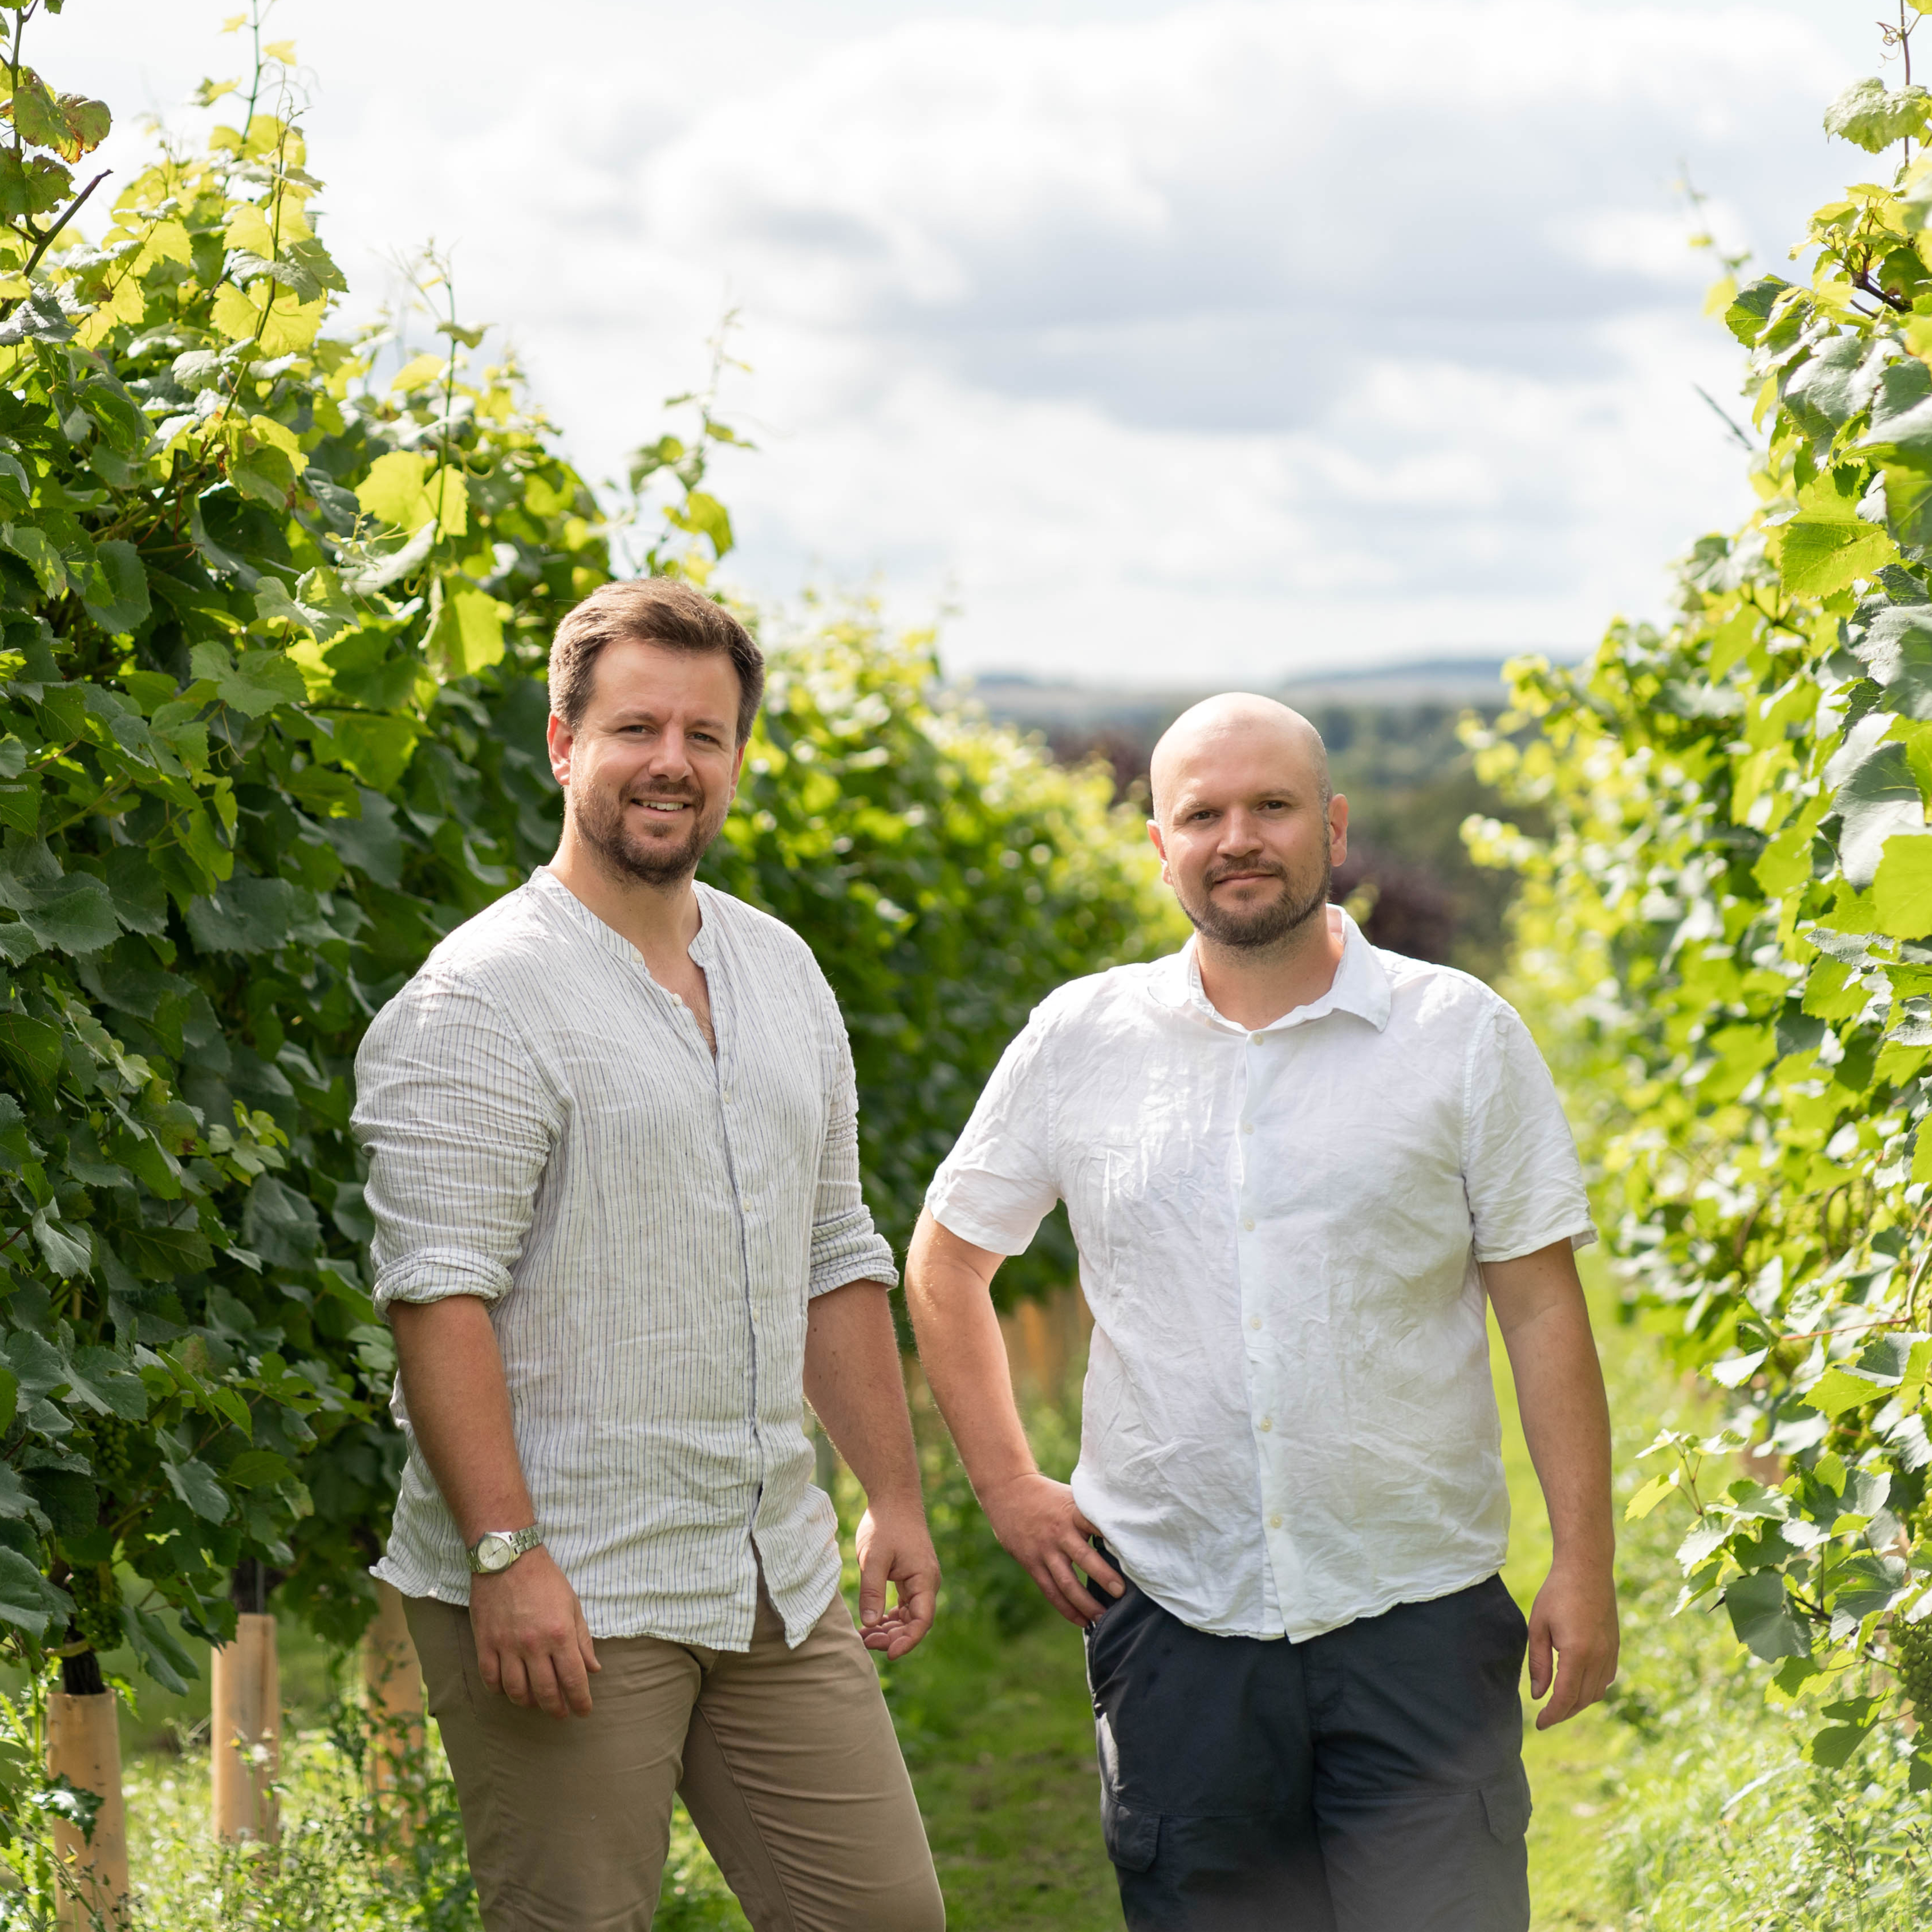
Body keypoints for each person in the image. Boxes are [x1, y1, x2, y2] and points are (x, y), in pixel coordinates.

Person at [905, 693, 1617, 1932]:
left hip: (1417, 1613)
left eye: (1272, 806)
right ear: (1160, 844)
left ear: (1332, 827)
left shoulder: (1458, 1037)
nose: (1238, 837)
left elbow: (1543, 1313)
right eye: (1203, 813)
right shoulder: (1080, 1038)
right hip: (1174, 1623)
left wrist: (1586, 1564)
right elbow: (945, 1256)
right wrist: (1008, 1486)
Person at [351, 578, 947, 1932]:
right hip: (570, 1583)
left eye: (706, 733)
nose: (671, 761)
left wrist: (892, 1496)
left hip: (768, 1572)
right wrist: (505, 1554)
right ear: (563, 745)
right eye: (634, 727)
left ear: (735, 758)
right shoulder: (477, 999)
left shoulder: (782, 971)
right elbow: (438, 1296)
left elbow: (835, 1252)